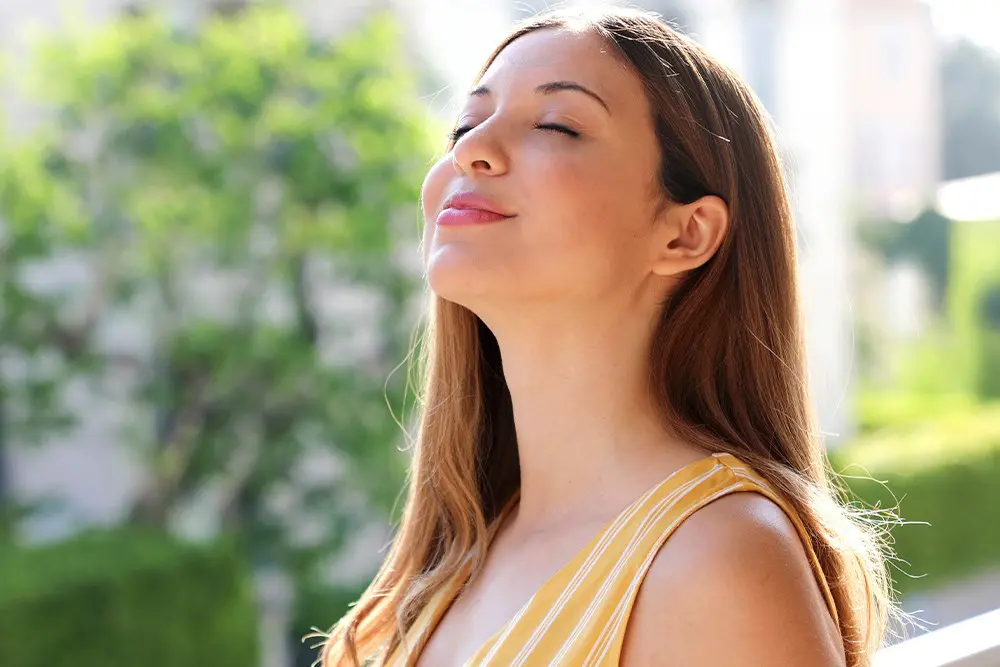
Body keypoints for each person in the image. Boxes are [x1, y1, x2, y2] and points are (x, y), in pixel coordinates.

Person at [317, 6, 893, 666]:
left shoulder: (717, 560)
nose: (470, 150)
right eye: (466, 123)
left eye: (557, 125)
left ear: (685, 233)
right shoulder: (445, 566)